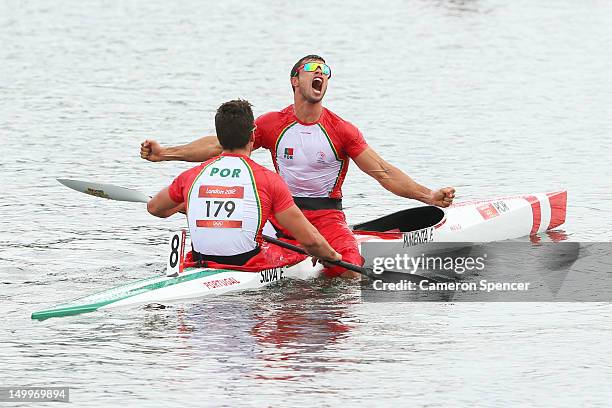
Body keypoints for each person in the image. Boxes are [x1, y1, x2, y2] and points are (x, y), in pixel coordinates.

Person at [141, 55, 455, 277]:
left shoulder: (341, 130)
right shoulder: (274, 123)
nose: (321, 73)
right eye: (312, 68)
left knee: (348, 272)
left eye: (325, 71)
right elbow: (223, 144)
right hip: (277, 215)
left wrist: (427, 195)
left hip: (326, 217)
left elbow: (383, 172)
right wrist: (166, 153)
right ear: (295, 80)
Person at [147, 99, 342, 270]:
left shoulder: (191, 176)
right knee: (290, 247)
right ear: (252, 136)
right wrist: (332, 256)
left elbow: (155, 208)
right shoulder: (268, 180)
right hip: (246, 265)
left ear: (219, 138)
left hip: (200, 261)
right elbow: (310, 240)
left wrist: (190, 205)